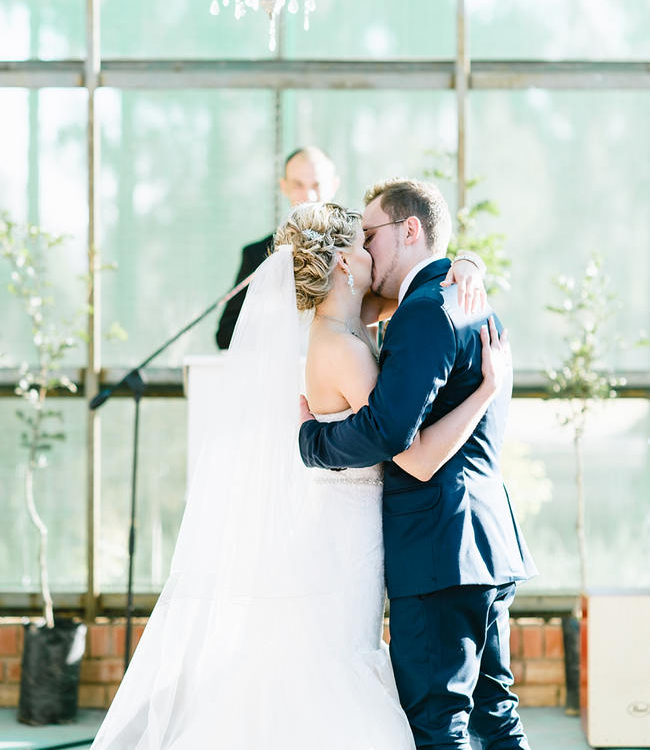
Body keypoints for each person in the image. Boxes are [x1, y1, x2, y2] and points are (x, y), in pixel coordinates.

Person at [90, 199, 505, 750]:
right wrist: (486, 391)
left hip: (357, 525)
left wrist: (469, 262)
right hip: (346, 534)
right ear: (341, 264)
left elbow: (422, 278)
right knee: (334, 670)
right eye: (362, 244)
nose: (371, 252)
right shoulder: (342, 344)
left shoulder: (356, 318)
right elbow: (414, 455)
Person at [299, 179, 537, 750]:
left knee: (437, 725)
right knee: (494, 715)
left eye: (370, 233)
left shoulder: (425, 311)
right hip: (481, 543)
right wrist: (467, 261)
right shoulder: (458, 296)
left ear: (409, 231)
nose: (363, 246)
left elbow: (388, 431)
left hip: (438, 550)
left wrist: (312, 442)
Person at [215, 145, 340, 348]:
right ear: (284, 187)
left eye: (317, 184)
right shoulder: (257, 254)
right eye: (298, 184)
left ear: (334, 185)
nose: (308, 195)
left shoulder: (358, 249)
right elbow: (227, 333)